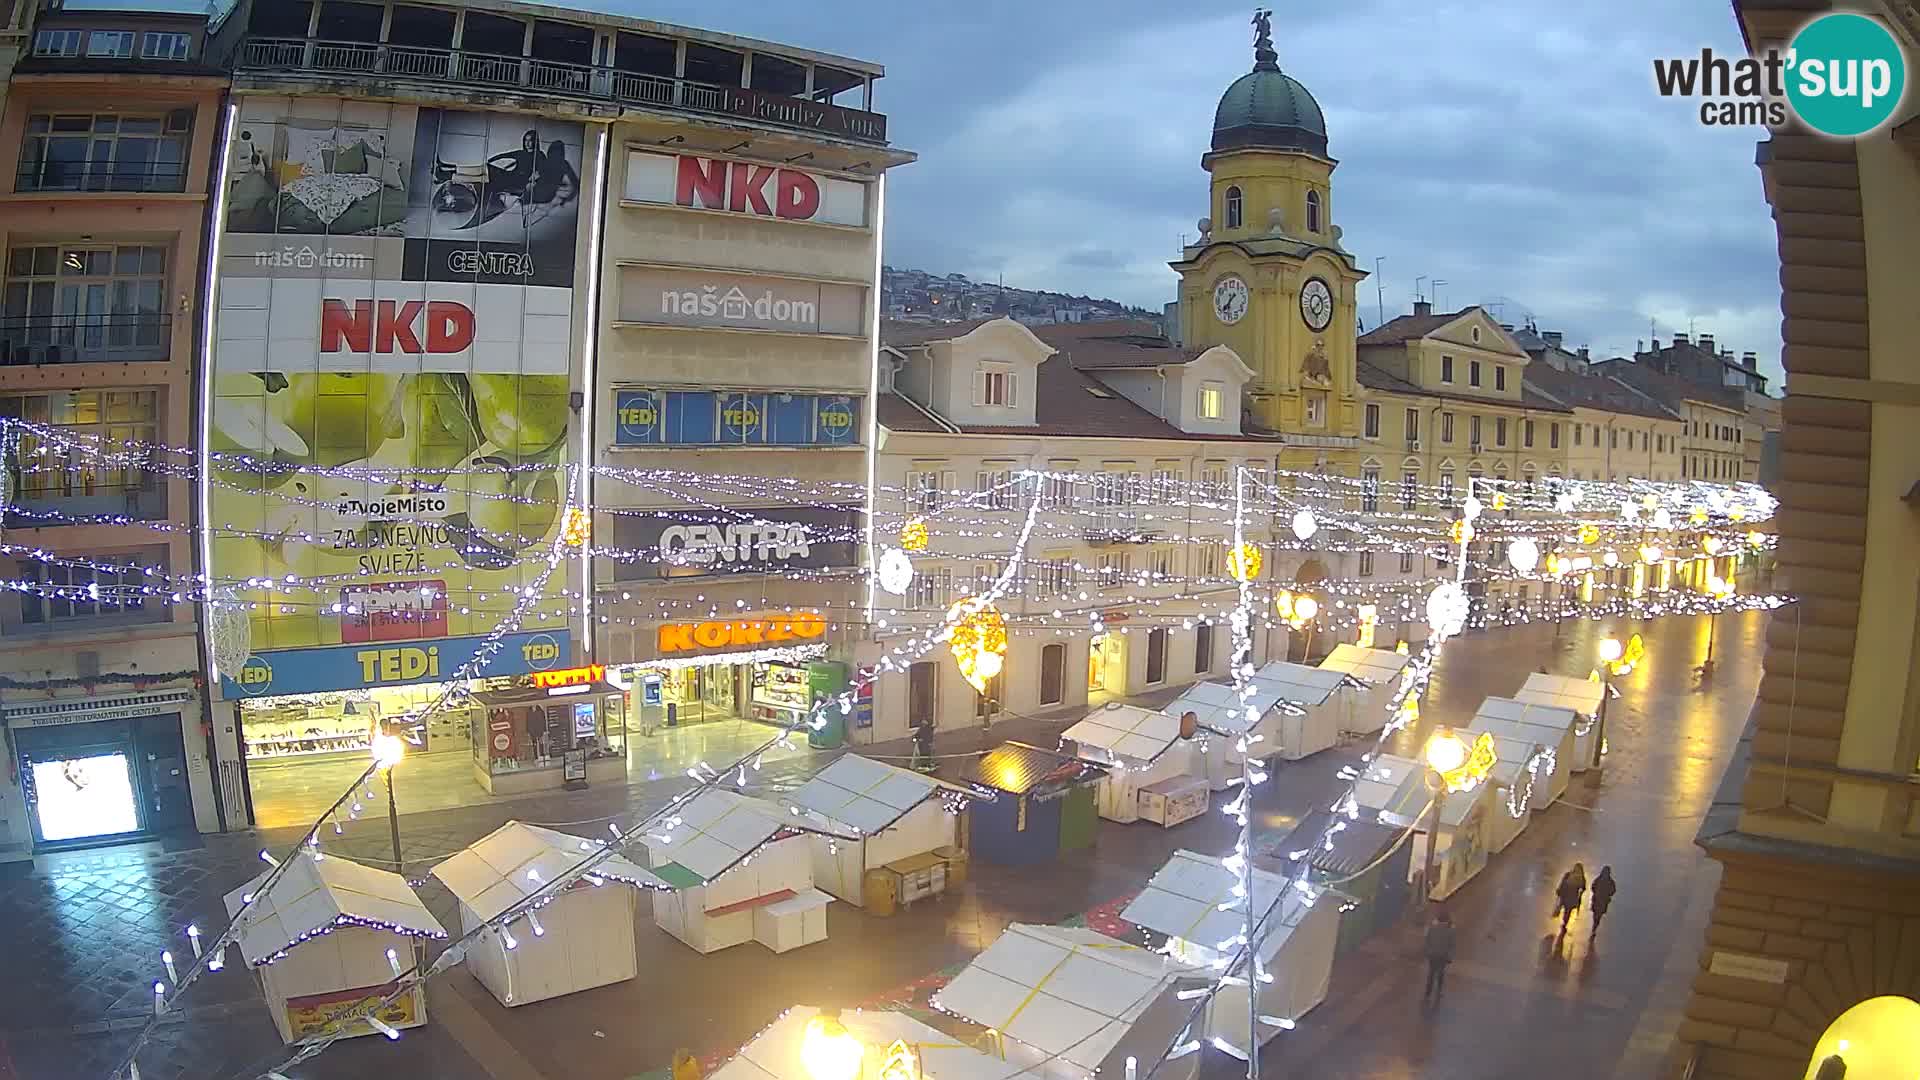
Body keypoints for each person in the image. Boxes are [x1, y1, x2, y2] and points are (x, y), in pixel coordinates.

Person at [1423, 909, 1456, 1000]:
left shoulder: (1432, 928)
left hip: (1432, 954)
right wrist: (1450, 956)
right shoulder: (1451, 930)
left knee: (1431, 974)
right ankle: (1439, 991)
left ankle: (1427, 994)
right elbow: (1452, 945)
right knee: (1441, 973)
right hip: (1443, 955)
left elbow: (1427, 940)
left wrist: (1427, 951)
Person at [1554, 863, 1588, 932]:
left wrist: (1559, 890)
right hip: (1572, 897)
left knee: (1561, 905)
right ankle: (1564, 923)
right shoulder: (1581, 878)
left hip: (1565, 894)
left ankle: (1559, 914)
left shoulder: (1568, 874)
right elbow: (1583, 888)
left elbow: (1562, 883)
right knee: (1567, 911)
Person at [1589, 866, 1616, 938]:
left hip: (1598, 899)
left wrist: (1596, 892)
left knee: (1596, 915)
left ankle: (1594, 927)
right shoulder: (1610, 881)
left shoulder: (1599, 879)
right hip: (1602, 901)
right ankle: (1594, 927)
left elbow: (1593, 886)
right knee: (1598, 916)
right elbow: (1613, 891)